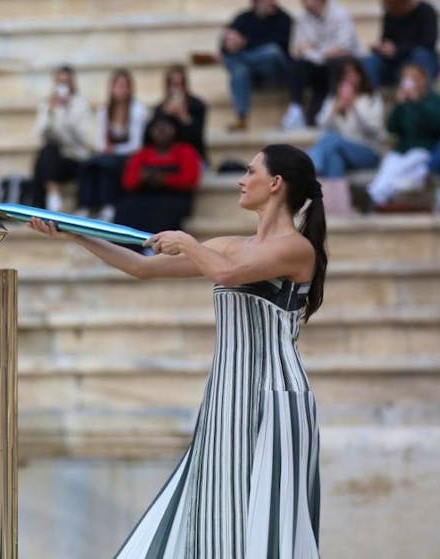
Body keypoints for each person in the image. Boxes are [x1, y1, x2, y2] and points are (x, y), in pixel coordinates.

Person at [31, 143, 327, 559]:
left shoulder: (297, 249)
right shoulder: (228, 244)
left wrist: (188, 243)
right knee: (213, 515)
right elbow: (143, 267)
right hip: (225, 398)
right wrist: (75, 232)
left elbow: (227, 273)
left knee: (268, 522)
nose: (242, 180)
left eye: (250, 171)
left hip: (275, 400)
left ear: (275, 183)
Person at [362, 63, 440, 209]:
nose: (410, 82)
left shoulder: (437, 101)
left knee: (412, 162)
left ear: (423, 80)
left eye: (414, 78)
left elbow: (435, 124)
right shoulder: (404, 102)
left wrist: (416, 102)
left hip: (424, 150)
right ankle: (376, 195)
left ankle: (377, 197)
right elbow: (391, 127)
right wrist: (398, 105)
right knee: (389, 166)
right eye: (407, 78)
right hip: (402, 150)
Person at [307, 58, 385, 214]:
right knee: (334, 157)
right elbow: (321, 123)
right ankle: (335, 208)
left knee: (331, 140)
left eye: (353, 74)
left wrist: (354, 106)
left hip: (368, 152)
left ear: (361, 75)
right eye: (345, 75)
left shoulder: (371, 97)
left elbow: (374, 129)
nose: (350, 79)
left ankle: (310, 165)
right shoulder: (334, 99)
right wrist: (337, 108)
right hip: (341, 151)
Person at [75, 68, 149, 221]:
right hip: (109, 154)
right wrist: (107, 149)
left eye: (124, 85)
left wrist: (114, 149)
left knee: (107, 165)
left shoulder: (137, 110)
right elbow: (101, 140)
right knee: (88, 164)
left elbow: (136, 145)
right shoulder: (104, 111)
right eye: (117, 85)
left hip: (129, 156)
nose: (120, 89)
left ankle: (108, 205)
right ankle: (85, 205)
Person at [117, 115, 203, 237]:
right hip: (145, 195)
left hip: (175, 196)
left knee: (164, 209)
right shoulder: (142, 154)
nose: (161, 132)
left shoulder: (185, 151)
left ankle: (158, 247)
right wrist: (142, 177)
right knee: (127, 207)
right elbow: (127, 183)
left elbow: (190, 180)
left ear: (176, 130)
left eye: (166, 128)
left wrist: (164, 179)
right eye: (157, 129)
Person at [282, 0, 359, 129]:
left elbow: (344, 47)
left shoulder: (340, 15)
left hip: (336, 67)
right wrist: (316, 53)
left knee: (336, 63)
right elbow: (296, 50)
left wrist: (317, 52)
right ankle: (295, 109)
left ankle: (330, 108)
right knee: (298, 65)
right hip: (315, 67)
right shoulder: (302, 18)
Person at [31, 65, 97, 212]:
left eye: (66, 82)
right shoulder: (48, 105)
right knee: (46, 152)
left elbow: (83, 138)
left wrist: (66, 112)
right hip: (56, 158)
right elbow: (41, 134)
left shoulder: (81, 105)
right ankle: (52, 195)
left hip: (75, 157)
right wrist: (50, 113)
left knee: (45, 158)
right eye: (60, 82)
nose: (63, 86)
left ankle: (47, 200)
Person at [221, 0, 294, 131]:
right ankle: (242, 118)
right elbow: (225, 44)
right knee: (239, 70)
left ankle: (238, 58)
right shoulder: (243, 18)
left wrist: (244, 43)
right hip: (252, 73)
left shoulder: (284, 19)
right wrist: (229, 43)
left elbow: (281, 46)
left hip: (275, 71)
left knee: (272, 51)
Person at [362, 0, 439, 88]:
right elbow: (386, 40)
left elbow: (428, 43)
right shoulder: (390, 15)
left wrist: (397, 50)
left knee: (421, 54)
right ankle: (371, 97)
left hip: (418, 60)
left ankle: (415, 93)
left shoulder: (426, 11)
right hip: (395, 63)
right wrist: (380, 48)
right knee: (371, 61)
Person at [150, 65, 207, 163]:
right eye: (174, 84)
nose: (178, 88)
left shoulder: (197, 106)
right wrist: (164, 115)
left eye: (181, 84)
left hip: (192, 157)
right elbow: (150, 139)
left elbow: (198, 139)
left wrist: (184, 117)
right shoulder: (159, 109)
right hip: (167, 158)